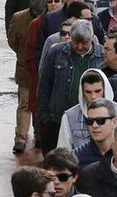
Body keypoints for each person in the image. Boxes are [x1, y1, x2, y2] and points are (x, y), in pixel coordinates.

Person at [38, 20, 104, 152]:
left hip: (90, 121)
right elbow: (44, 85)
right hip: (56, 119)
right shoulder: (56, 53)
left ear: (92, 38)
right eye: (76, 42)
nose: (79, 47)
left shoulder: (101, 55)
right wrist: (44, 116)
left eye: (84, 42)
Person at [10, 0, 50, 152]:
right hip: (26, 67)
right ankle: (21, 138)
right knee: (25, 103)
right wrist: (22, 55)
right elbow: (12, 40)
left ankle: (40, 135)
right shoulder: (19, 18)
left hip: (45, 68)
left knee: (40, 103)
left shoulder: (50, 18)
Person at [58, 68, 117, 150]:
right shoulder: (69, 116)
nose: (93, 97)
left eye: (97, 91)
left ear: (105, 89)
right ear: (82, 92)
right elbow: (63, 152)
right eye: (88, 92)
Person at [72, 99, 117, 168]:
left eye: (100, 120)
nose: (94, 125)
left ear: (114, 122)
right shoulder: (77, 156)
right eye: (90, 121)